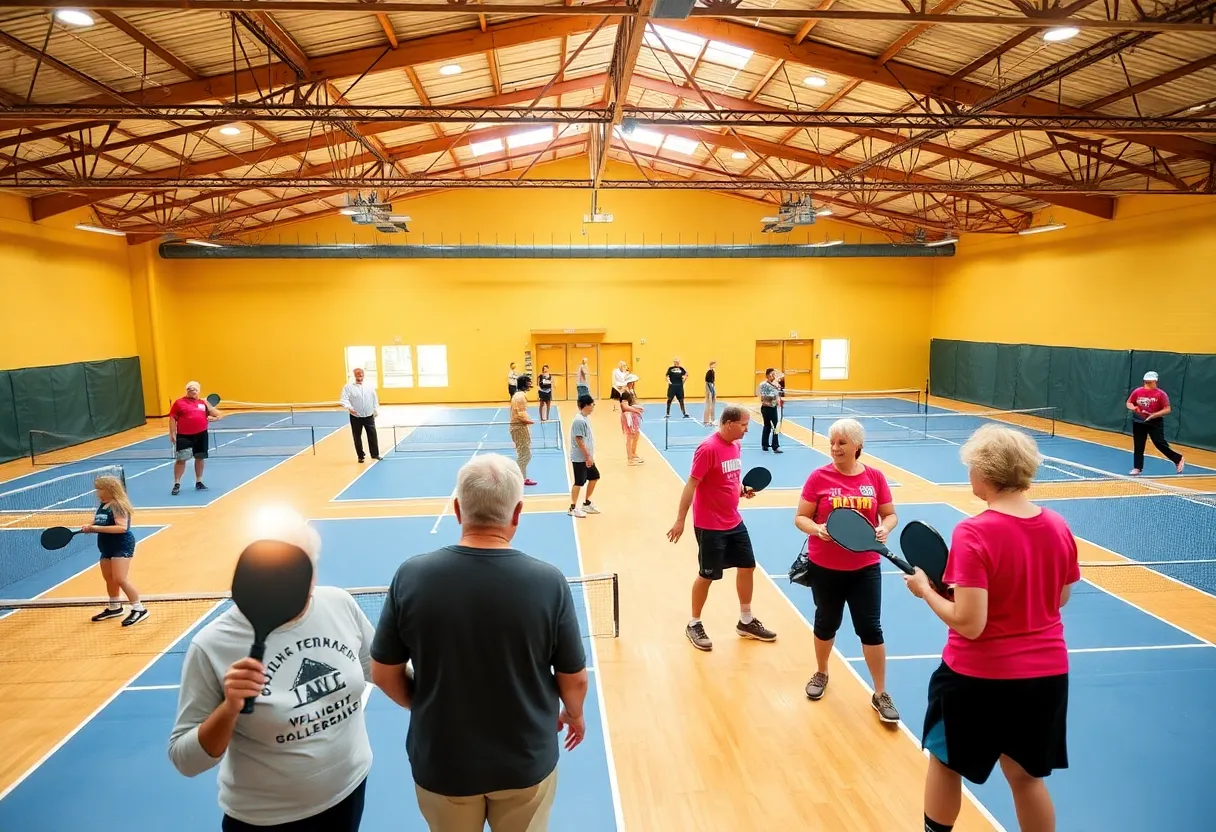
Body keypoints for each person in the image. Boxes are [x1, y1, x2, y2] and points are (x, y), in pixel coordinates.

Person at [370, 454, 589, 831]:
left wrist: (422, 705)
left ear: (457, 509)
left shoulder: (410, 577)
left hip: (443, 764)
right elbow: (575, 679)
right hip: (525, 762)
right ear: (517, 512)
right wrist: (574, 714)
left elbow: (383, 673)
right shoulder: (549, 583)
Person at [904, 425, 1079, 832]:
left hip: (977, 679)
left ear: (985, 472)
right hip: (1046, 678)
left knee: (947, 766)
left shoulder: (974, 531)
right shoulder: (1057, 525)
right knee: (1026, 777)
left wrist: (925, 591)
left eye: (971, 467)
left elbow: (969, 623)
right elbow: (1059, 598)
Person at [168, 515, 376, 832]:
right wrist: (229, 708)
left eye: (300, 573)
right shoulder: (212, 644)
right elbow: (186, 760)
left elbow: (379, 670)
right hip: (266, 819)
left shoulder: (339, 604)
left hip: (349, 792)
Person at [793, 417, 899, 723]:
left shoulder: (875, 478)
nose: (835, 448)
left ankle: (880, 693)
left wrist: (884, 528)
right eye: (832, 443)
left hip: (866, 567)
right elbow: (800, 517)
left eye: (841, 443)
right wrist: (817, 528)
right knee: (826, 622)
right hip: (825, 566)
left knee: (870, 628)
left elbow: (890, 515)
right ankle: (821, 672)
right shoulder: (818, 477)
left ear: (857, 446)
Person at [668, 404, 776, 651]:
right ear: (729, 424)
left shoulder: (736, 446)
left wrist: (740, 491)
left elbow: (731, 478)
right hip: (710, 524)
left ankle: (746, 620)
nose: (747, 429)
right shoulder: (708, 449)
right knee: (707, 575)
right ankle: (694, 623)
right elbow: (691, 485)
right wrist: (680, 520)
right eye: (744, 425)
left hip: (734, 520)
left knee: (748, 566)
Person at [82, 474, 147, 627]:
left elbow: (122, 527)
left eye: (100, 489)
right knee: (109, 578)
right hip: (105, 544)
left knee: (120, 578)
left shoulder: (117, 505)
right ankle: (115, 607)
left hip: (121, 544)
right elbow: (98, 521)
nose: (97, 492)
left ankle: (139, 608)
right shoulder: (103, 505)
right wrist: (89, 526)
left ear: (109, 489)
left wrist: (96, 528)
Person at [1126, 370, 1184, 475]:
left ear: (1155, 381)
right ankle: (1137, 468)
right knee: (1138, 445)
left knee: (1159, 444)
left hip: (1155, 423)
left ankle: (1178, 459)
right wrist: (1134, 408)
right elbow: (1129, 403)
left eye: (1150, 381)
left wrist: (1154, 415)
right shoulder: (1137, 392)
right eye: (1146, 381)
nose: (1147, 384)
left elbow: (1167, 409)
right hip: (1139, 422)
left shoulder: (1161, 394)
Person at [169, 381, 222, 495]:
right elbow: (172, 418)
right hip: (184, 436)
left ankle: (199, 481)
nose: (192, 391)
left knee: (200, 458)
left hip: (201, 435)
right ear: (187, 390)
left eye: (195, 389)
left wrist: (215, 417)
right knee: (181, 460)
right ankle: (177, 483)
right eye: (190, 389)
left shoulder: (203, 403)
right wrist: (172, 433)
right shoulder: (179, 403)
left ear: (198, 390)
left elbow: (218, 414)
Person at [568, 394, 600, 517]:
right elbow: (579, 440)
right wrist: (587, 456)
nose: (593, 407)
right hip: (580, 458)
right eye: (592, 405)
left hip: (587, 457)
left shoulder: (585, 418)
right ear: (586, 405)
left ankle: (586, 503)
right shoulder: (579, 421)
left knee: (594, 476)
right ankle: (572, 508)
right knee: (579, 482)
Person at [340, 368, 380, 464]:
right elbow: (344, 399)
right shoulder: (348, 387)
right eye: (358, 374)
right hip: (356, 416)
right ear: (354, 375)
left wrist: (375, 409)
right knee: (357, 436)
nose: (360, 375)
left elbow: (374, 398)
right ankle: (360, 456)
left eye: (361, 374)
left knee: (372, 435)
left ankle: (375, 454)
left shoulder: (369, 386)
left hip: (369, 415)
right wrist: (350, 408)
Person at [510, 374, 538, 487]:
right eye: (529, 382)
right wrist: (530, 421)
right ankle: (518, 478)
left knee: (523, 454)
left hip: (519, 427)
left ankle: (522, 477)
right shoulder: (520, 397)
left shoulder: (517, 395)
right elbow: (520, 415)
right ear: (524, 384)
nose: (530, 384)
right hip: (519, 428)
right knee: (525, 455)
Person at [758, 368, 782, 454]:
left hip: (773, 407)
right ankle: (775, 447)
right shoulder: (764, 384)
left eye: (774, 374)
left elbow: (777, 394)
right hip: (767, 408)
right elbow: (765, 397)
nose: (774, 376)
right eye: (772, 374)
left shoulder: (774, 384)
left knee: (769, 426)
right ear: (767, 375)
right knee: (772, 426)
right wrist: (774, 400)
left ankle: (765, 445)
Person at [620, 387, 645, 465]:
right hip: (628, 418)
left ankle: (633, 453)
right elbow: (625, 407)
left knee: (636, 434)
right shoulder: (625, 396)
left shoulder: (630, 393)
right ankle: (629, 459)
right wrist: (636, 410)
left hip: (631, 417)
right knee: (629, 437)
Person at [702, 360, 717, 426]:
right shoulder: (709, 372)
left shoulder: (713, 372)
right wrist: (710, 389)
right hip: (709, 387)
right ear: (711, 365)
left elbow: (713, 380)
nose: (715, 366)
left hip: (712, 386)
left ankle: (712, 420)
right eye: (714, 364)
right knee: (708, 404)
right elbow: (707, 380)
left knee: (712, 404)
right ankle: (706, 420)